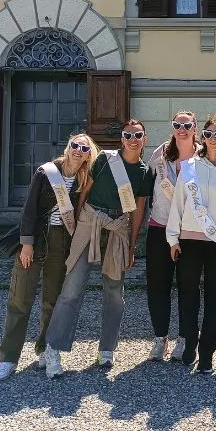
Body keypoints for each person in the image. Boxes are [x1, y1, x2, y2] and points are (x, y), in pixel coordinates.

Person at [43, 120, 152, 379]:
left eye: (138, 135)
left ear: (144, 139)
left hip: (117, 229)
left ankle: (107, 349)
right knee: (72, 287)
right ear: (122, 139)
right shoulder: (104, 159)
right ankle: (53, 348)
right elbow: (84, 192)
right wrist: (79, 223)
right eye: (128, 135)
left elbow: (137, 211)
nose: (133, 139)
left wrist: (132, 243)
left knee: (114, 292)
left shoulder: (145, 172)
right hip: (90, 221)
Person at [0, 134, 98, 381]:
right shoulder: (46, 172)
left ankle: (45, 350)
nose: (78, 151)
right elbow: (28, 210)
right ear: (67, 146)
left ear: (88, 154)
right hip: (37, 239)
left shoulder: (85, 181)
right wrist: (26, 244)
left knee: (53, 299)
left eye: (84, 148)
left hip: (62, 241)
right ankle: (8, 358)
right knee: (20, 298)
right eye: (75, 145)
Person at [167, 114, 216, 374]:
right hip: (188, 239)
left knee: (213, 298)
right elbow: (178, 203)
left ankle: (208, 352)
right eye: (208, 134)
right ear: (203, 137)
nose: (212, 138)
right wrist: (172, 237)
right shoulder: (189, 166)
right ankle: (190, 344)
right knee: (188, 297)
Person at [146, 111, 199, 362]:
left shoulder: (203, 157)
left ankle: (185, 339)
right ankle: (160, 338)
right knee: (158, 286)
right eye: (177, 124)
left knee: (188, 288)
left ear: (194, 128)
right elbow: (147, 188)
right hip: (160, 227)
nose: (182, 129)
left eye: (187, 125)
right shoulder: (160, 153)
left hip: (190, 232)